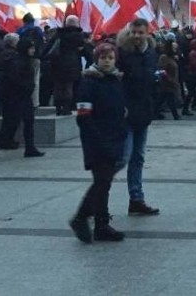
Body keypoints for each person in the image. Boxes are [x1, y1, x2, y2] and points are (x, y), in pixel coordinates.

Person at [68, 42, 127, 243]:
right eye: (103, 58)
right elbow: (84, 116)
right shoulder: (89, 82)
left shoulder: (115, 80)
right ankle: (81, 217)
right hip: (97, 140)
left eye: (110, 58)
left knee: (105, 183)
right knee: (102, 182)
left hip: (114, 137)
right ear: (96, 59)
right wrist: (98, 139)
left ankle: (101, 225)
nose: (107, 61)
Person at [117, 18, 160, 216]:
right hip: (126, 113)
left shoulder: (150, 53)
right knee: (121, 158)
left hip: (143, 112)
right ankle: (96, 197)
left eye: (140, 32)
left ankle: (136, 198)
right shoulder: (122, 53)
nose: (136, 36)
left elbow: (148, 81)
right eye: (133, 32)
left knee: (138, 158)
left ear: (146, 33)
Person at [0, 35, 45, 160]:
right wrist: (28, 87)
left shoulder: (22, 60)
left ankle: (30, 148)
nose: (33, 50)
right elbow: (16, 79)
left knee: (25, 122)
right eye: (31, 48)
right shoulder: (18, 61)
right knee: (11, 124)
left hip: (19, 97)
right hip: (16, 97)